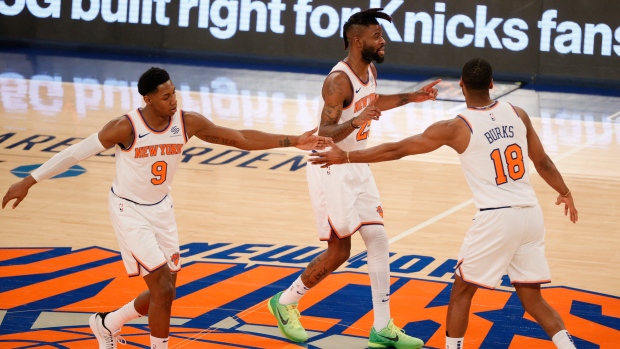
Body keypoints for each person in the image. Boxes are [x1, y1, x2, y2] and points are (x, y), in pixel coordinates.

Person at [1, 67, 329, 349]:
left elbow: (239, 137)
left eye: (174, 94)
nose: (173, 101)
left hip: (162, 209)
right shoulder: (125, 127)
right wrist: (30, 180)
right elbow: (74, 153)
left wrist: (291, 141)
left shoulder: (186, 122)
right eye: (166, 97)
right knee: (160, 286)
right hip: (129, 210)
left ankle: (108, 322)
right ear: (148, 99)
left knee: (166, 292)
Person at [309, 57, 579, 349]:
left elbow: (397, 149)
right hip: (531, 216)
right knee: (533, 300)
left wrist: (346, 156)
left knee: (462, 292)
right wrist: (564, 191)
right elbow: (542, 161)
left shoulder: (456, 127)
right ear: (492, 85)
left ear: (461, 86)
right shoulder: (518, 113)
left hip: (497, 218)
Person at [266, 8, 439, 349]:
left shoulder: (369, 69)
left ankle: (382, 327)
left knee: (378, 240)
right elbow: (326, 130)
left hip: (355, 164)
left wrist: (413, 96)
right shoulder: (338, 81)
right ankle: (284, 303)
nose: (383, 40)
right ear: (357, 41)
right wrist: (358, 120)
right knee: (340, 251)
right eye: (377, 36)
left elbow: (374, 101)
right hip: (330, 167)